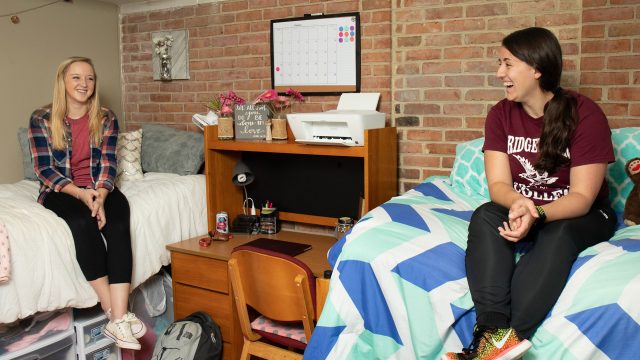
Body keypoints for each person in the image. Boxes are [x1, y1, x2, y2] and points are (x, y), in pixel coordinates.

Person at [443, 27, 618, 360]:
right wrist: (519, 205)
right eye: (500, 64)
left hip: (583, 214)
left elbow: (582, 197)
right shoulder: (500, 115)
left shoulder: (585, 114)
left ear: (536, 68)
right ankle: (491, 335)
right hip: (527, 208)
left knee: (559, 233)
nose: (499, 73)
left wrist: (536, 214)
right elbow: (498, 187)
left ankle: (512, 337)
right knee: (484, 216)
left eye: (507, 64)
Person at [28, 57, 146, 350]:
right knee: (82, 222)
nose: (84, 84)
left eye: (90, 78)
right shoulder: (41, 118)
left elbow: (108, 161)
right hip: (62, 189)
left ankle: (117, 319)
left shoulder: (106, 117)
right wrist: (81, 195)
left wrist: (101, 196)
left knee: (119, 223)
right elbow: (44, 168)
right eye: (77, 78)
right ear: (63, 82)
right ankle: (116, 315)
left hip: (100, 186)